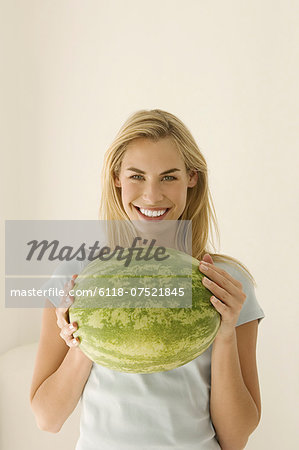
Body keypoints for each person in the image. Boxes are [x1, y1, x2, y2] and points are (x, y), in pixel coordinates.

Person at [30, 109, 265, 450]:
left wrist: (225, 332)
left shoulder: (226, 283)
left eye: (168, 177)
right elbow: (47, 419)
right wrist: (85, 339)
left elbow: (235, 438)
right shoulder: (76, 275)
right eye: (137, 176)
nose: (152, 195)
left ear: (192, 178)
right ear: (116, 178)